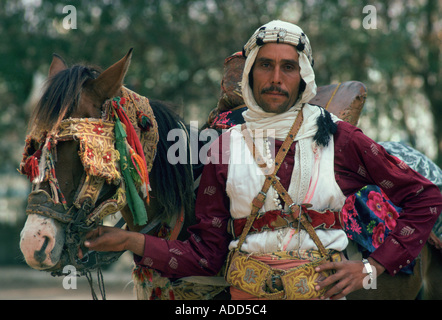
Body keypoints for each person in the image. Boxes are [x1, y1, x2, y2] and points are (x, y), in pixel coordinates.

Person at [82, 20, 442, 300]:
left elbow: (425, 197)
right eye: (265, 65)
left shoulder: (338, 137)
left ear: (303, 75)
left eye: (288, 67)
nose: (275, 78)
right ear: (250, 72)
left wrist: (370, 268)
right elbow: (207, 255)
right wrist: (129, 241)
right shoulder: (224, 147)